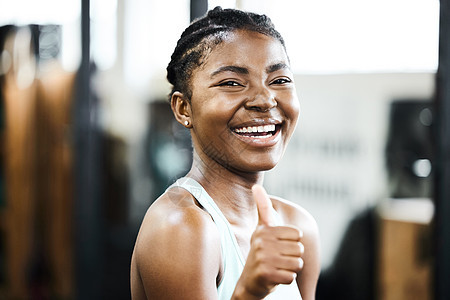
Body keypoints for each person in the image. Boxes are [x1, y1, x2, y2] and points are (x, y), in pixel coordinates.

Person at [131, 7, 320, 300]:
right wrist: (248, 291)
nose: (265, 100)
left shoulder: (298, 225)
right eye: (231, 83)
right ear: (184, 109)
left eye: (279, 80)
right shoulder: (181, 228)